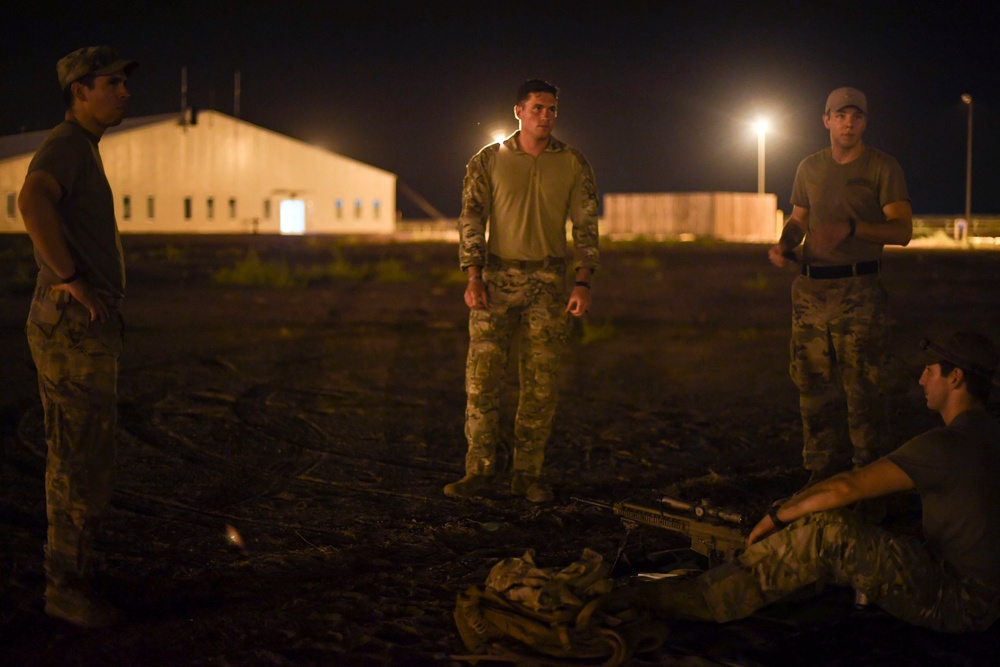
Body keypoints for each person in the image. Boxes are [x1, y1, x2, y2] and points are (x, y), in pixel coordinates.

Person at [619, 332, 1000, 633]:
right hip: (986, 596)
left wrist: (778, 517)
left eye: (929, 371)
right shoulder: (988, 434)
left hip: (962, 603)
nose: (920, 379)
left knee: (826, 531)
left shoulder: (945, 445)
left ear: (955, 378)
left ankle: (700, 599)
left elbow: (846, 487)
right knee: (848, 526)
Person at [18, 45, 138, 628]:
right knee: (79, 460)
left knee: (84, 455)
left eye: (123, 83)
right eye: (111, 83)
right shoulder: (66, 146)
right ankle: (68, 588)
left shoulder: (82, 149)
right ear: (79, 93)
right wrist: (71, 278)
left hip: (79, 327)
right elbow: (30, 201)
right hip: (71, 328)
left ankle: (78, 575)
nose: (124, 92)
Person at [444, 79, 600, 503]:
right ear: (518, 111)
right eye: (537, 108)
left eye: (551, 109)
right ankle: (478, 471)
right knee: (482, 382)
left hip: (549, 285)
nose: (545, 116)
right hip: (496, 282)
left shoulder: (571, 163)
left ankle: (527, 475)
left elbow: (586, 225)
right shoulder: (488, 160)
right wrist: (473, 276)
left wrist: (583, 281)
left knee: (540, 385)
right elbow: (471, 219)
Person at [768, 87, 913, 487]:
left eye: (857, 116)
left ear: (865, 122)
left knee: (865, 391)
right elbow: (798, 219)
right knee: (811, 388)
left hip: (860, 292)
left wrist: (851, 228)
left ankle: (869, 482)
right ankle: (820, 475)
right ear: (826, 120)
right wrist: (784, 244)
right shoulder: (809, 168)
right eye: (841, 115)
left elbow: (902, 230)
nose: (849, 123)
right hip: (810, 294)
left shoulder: (882, 168)